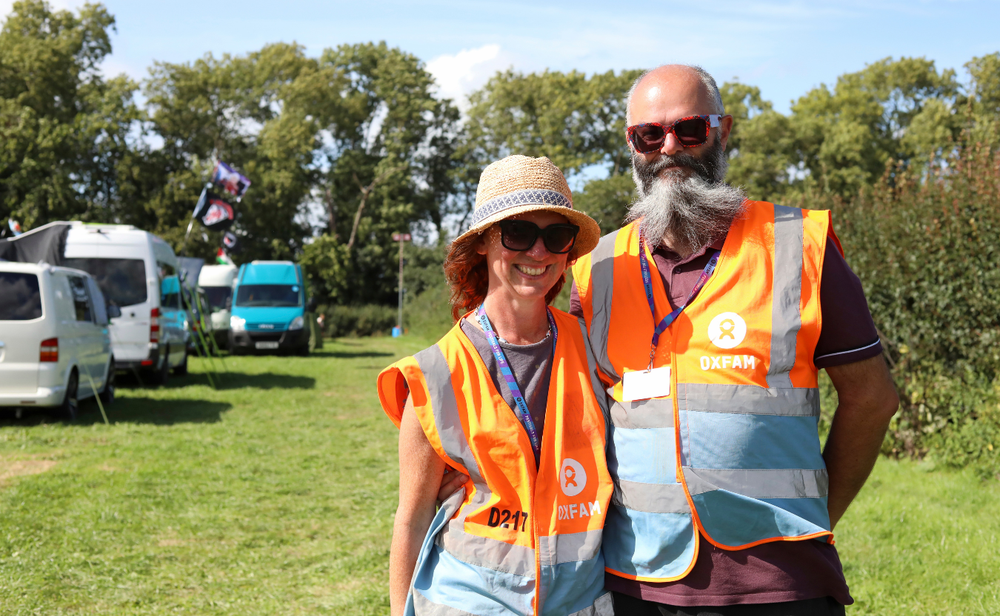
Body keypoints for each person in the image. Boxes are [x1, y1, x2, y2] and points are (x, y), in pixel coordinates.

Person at [569, 65, 900, 615]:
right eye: (649, 135)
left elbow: (873, 398)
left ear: (724, 133)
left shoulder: (800, 245)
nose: (669, 147)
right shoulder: (595, 269)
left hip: (781, 585)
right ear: (632, 147)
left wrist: (816, 515)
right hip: (633, 584)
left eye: (689, 129)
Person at [377, 155, 616, 616]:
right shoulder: (434, 373)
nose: (539, 252)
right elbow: (411, 519)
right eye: (519, 233)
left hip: (579, 603)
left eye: (556, 236)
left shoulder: (593, 348)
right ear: (484, 242)